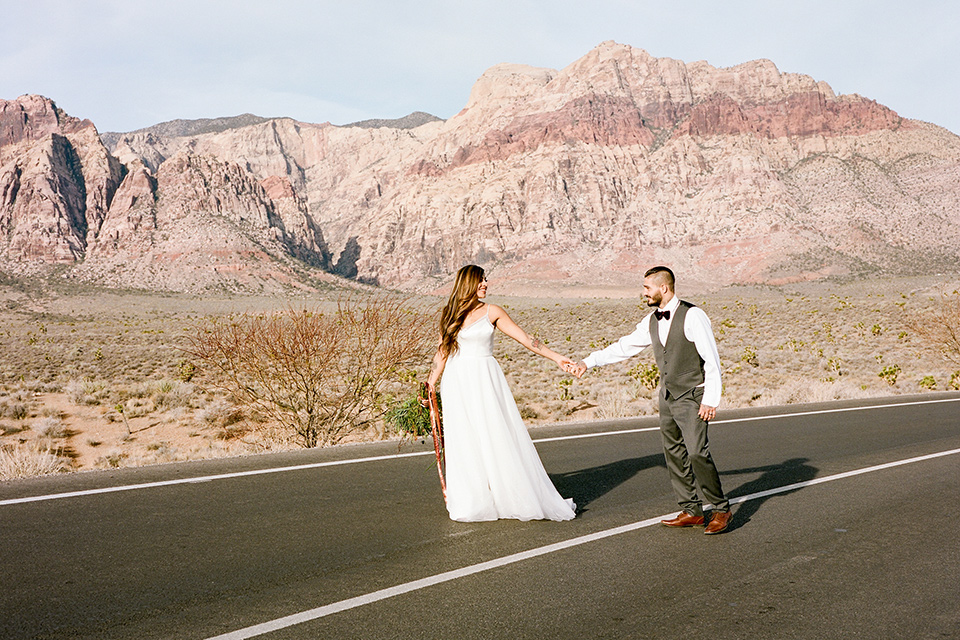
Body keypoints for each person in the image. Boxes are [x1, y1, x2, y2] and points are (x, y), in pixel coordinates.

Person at [571, 266, 733, 534]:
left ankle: (720, 508)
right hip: (667, 395)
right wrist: (588, 362)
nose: (643, 292)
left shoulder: (694, 316)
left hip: (693, 395)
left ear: (663, 288)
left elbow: (711, 360)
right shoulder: (651, 320)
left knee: (696, 452)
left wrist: (710, 399)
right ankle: (691, 509)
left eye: (647, 288)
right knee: (674, 452)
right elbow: (624, 347)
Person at [425, 265, 577, 522]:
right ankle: (473, 501)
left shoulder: (492, 311)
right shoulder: (448, 314)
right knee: (463, 439)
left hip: (484, 379)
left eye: (485, 280)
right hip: (455, 382)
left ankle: (509, 494)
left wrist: (557, 358)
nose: (485, 284)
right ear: (468, 283)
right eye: (480, 280)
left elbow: (526, 339)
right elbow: (442, 353)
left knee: (493, 432)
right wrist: (430, 384)